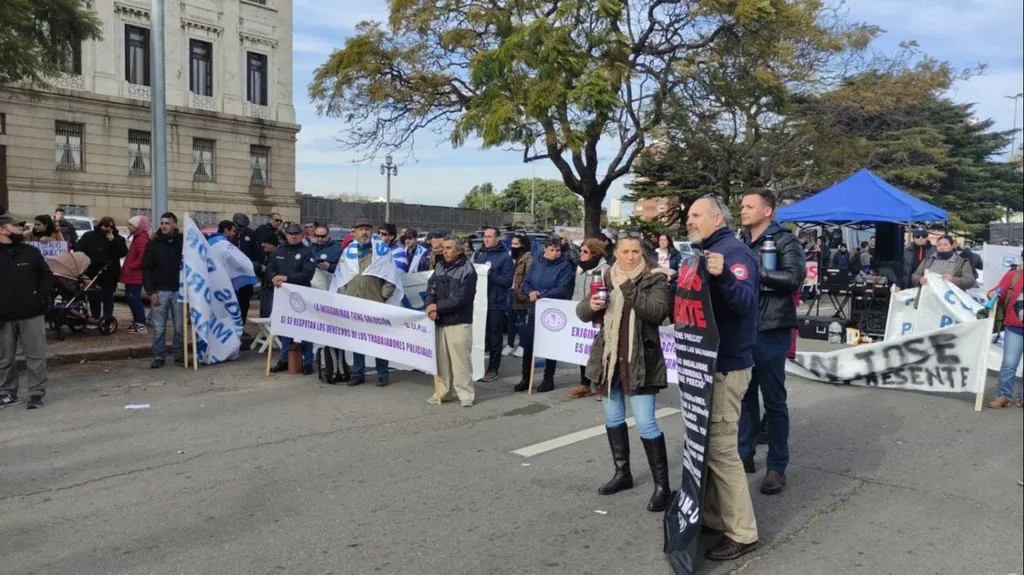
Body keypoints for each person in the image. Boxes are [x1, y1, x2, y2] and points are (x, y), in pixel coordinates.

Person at [685, 196, 759, 561]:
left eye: (696, 215)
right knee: (707, 444)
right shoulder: (705, 252)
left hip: (727, 365)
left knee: (721, 449)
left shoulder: (734, 253)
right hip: (708, 363)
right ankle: (715, 516)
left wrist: (724, 275)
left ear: (717, 219)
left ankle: (742, 532)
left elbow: (746, 302)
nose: (689, 220)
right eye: (688, 215)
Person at [576, 230, 672, 511]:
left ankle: (662, 487)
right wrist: (591, 305)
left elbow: (657, 312)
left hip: (641, 360)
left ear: (643, 253)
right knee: (613, 418)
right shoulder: (606, 275)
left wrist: (628, 286)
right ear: (616, 253)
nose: (630, 257)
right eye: (625, 251)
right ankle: (622, 473)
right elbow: (582, 312)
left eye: (635, 252)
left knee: (646, 423)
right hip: (609, 359)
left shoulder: (655, 277)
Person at [738, 188, 805, 495]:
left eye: (749, 206)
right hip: (743, 328)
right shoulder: (741, 242)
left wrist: (757, 271)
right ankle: (744, 453)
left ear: (767, 211)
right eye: (742, 206)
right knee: (744, 395)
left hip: (771, 328)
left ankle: (777, 466)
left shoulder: (785, 240)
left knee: (774, 401)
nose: (743, 210)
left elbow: (793, 278)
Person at [0, 213, 54, 409]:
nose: (20, 229)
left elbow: (47, 276)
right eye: (15, 226)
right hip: (3, 316)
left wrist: (40, 299)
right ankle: (7, 393)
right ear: (2, 230)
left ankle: (36, 393)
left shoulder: (30, 252)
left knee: (36, 356)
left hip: (31, 313)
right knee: (4, 358)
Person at [337, 218, 398, 386]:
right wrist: (344, 293)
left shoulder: (382, 252)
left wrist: (383, 295)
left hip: (374, 301)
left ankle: (382, 374)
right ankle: (358, 373)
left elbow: (391, 276)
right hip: (353, 301)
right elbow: (340, 275)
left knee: (379, 340)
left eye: (367, 229)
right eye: (360, 229)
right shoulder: (348, 252)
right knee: (357, 339)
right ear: (354, 232)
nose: (364, 232)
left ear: (372, 232)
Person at [514, 236, 575, 393]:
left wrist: (541, 294)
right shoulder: (537, 262)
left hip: (553, 311)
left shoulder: (564, 266)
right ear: (545, 249)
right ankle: (526, 377)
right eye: (552, 250)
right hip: (536, 309)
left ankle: (548, 378)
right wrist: (530, 292)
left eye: (558, 250)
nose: (555, 253)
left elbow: (562, 288)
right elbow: (527, 282)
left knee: (550, 346)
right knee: (529, 345)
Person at [425, 236, 478, 406]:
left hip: (459, 321)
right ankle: (443, 392)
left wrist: (436, 307)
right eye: (444, 248)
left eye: (448, 248)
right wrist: (430, 305)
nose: (444, 251)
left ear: (459, 250)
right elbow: (431, 288)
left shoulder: (468, 269)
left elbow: (461, 298)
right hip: (441, 321)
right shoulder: (440, 266)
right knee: (442, 361)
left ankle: (466, 394)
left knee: (461, 361)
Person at [267, 222, 316, 374]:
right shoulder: (279, 251)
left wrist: (287, 278)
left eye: (296, 234)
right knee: (284, 328)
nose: (293, 237)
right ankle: (284, 360)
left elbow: (307, 274)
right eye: (290, 234)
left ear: (301, 235)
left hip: (302, 296)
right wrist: (274, 277)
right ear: (286, 235)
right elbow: (270, 268)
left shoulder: (307, 252)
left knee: (305, 328)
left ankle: (308, 362)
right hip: (283, 295)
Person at [567, 238, 610, 398]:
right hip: (583, 315)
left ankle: (602, 386)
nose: (581, 254)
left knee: (600, 352)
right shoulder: (580, 270)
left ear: (595, 254)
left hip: (599, 318)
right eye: (581, 251)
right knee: (582, 350)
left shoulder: (606, 270)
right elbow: (576, 292)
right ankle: (584, 384)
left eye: (585, 252)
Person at [143, 213, 184, 369]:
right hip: (160, 291)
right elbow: (147, 269)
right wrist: (151, 291)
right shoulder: (154, 243)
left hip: (178, 290)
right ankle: (159, 357)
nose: (164, 226)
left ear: (174, 224)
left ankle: (178, 356)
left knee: (179, 327)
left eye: (167, 223)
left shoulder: (182, 242)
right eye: (162, 223)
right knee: (159, 328)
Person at [474, 226, 514, 382]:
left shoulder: (505, 258)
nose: (486, 239)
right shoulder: (480, 254)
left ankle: (493, 369)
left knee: (494, 338)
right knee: (479, 337)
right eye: (485, 236)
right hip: (479, 302)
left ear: (497, 239)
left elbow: (507, 281)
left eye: (489, 237)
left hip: (495, 304)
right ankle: (477, 367)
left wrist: (490, 274)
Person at [988, 248, 1024, 409]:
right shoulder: (1013, 275)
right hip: (1014, 326)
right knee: (1009, 364)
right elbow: (999, 291)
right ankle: (1003, 396)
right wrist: (992, 294)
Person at [75, 216, 128, 323]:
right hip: (92, 271)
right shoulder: (89, 236)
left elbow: (123, 252)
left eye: (111, 227)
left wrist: (112, 241)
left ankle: (107, 320)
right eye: (106, 226)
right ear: (100, 225)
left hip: (110, 272)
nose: (108, 229)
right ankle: (95, 318)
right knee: (94, 297)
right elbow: (78, 247)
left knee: (107, 297)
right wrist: (85, 259)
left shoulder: (118, 239)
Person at [120, 215, 151, 334]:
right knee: (131, 298)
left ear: (138, 226)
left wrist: (132, 266)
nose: (129, 227)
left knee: (134, 298)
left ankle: (140, 323)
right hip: (132, 274)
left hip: (135, 275)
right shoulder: (137, 237)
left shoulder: (141, 239)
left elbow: (143, 257)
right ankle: (137, 322)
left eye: (131, 225)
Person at [911, 235, 975, 290]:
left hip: (951, 297)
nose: (942, 247)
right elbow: (915, 275)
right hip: (929, 295)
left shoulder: (962, 262)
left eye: (945, 245)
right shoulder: (928, 260)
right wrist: (919, 279)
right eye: (939, 245)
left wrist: (953, 279)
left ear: (952, 246)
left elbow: (970, 282)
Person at [231, 213, 261, 327]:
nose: (242, 229)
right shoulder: (230, 234)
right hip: (231, 275)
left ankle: (241, 327)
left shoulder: (251, 234)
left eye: (244, 227)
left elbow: (258, 253)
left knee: (244, 303)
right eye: (240, 226)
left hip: (246, 276)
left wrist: (256, 268)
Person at [505, 233, 533, 358]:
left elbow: (528, 277)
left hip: (520, 293)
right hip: (510, 291)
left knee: (521, 320)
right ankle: (510, 344)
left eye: (516, 244)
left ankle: (522, 345)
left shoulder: (528, 258)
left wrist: (523, 291)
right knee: (510, 319)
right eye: (512, 244)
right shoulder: (510, 256)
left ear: (522, 245)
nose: (513, 246)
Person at [255, 227, 279, 318]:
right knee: (264, 314)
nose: (262, 245)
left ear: (272, 244)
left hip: (275, 290)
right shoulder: (264, 255)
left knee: (271, 315)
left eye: (265, 243)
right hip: (265, 289)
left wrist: (268, 270)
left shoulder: (280, 255)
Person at [655, 233, 682, 298]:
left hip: (671, 286)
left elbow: (681, 270)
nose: (662, 242)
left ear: (668, 242)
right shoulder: (653, 254)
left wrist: (671, 277)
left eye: (665, 240)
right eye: (661, 240)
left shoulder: (675, 254)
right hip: (656, 286)